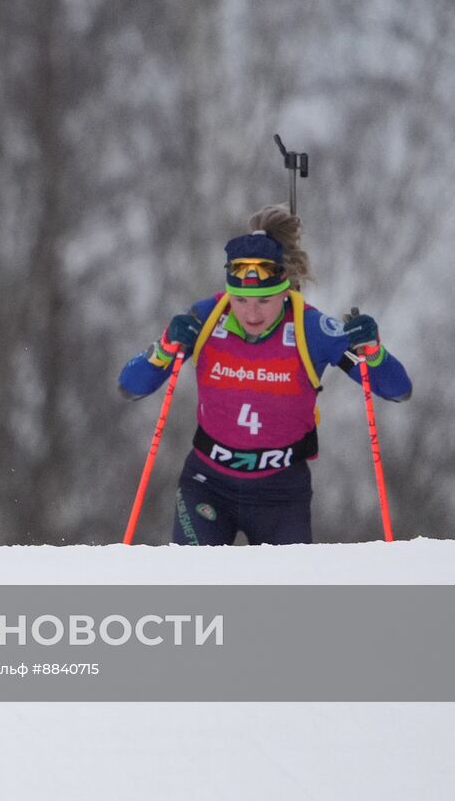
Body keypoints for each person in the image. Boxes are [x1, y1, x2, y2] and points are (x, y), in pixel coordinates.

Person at [117, 205, 411, 546]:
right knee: (194, 589)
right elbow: (129, 386)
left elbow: (397, 389)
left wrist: (374, 352)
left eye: (264, 300)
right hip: (207, 484)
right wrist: (165, 347)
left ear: (286, 291)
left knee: (284, 599)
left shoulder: (310, 329)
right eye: (240, 300)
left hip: (281, 495)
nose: (251, 313)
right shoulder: (207, 318)